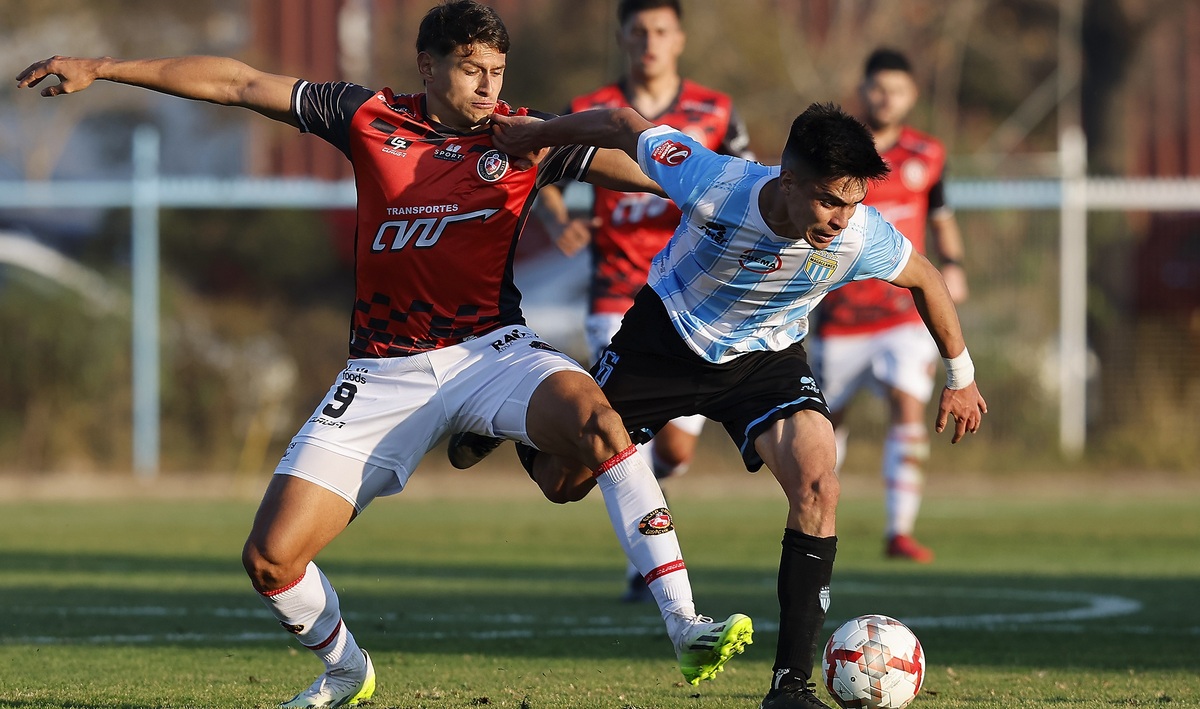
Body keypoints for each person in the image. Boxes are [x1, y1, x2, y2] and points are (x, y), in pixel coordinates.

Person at [14, 2, 753, 707]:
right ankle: (346, 670)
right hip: (383, 370)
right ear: (428, 67)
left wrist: (745, 194)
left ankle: (685, 625)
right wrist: (104, 67)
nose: (488, 86)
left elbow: (663, 174)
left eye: (497, 69)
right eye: (471, 68)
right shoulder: (367, 117)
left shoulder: (524, 137)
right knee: (270, 560)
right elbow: (239, 82)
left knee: (600, 423)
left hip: (493, 351)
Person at [483, 102, 987, 709]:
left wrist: (961, 376)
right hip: (665, 343)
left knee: (819, 481)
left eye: (853, 203)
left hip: (764, 361)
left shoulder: (860, 235)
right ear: (788, 180)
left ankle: (790, 687)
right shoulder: (715, 184)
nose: (841, 220)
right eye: (829, 201)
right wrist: (538, 134)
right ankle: (508, 408)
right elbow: (621, 124)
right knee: (560, 484)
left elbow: (926, 277)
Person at [542, 0, 755, 603]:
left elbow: (748, 188)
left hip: (694, 295)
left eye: (661, 31)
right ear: (622, 38)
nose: (650, 42)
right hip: (618, 292)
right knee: (620, 435)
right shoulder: (593, 107)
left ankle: (641, 515)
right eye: (639, 32)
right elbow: (536, 162)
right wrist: (557, 219)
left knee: (676, 448)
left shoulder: (716, 111)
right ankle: (652, 562)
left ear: (679, 38)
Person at [808, 49, 969, 564]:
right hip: (841, 317)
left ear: (912, 95)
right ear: (863, 90)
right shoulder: (839, 153)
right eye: (878, 88)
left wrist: (953, 265)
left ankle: (899, 530)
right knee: (827, 423)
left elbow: (940, 216)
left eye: (896, 89)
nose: (886, 98)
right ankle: (814, 514)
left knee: (907, 405)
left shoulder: (928, 154)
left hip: (902, 316)